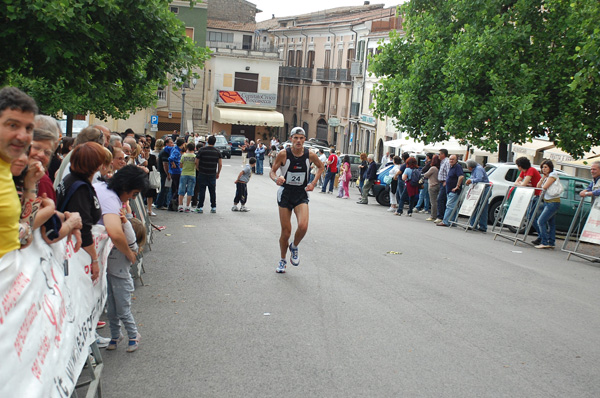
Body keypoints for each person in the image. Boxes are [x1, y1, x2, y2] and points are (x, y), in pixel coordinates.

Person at [270, 127, 324, 273]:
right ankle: (282, 260)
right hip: (286, 193)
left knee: (303, 226)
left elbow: (321, 167)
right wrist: (277, 179)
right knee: (286, 232)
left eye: (301, 138)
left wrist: (313, 183)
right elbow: (272, 171)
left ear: (304, 140)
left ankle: (294, 246)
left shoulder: (310, 155)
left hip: (301, 193)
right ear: (291, 139)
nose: (298, 141)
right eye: (295, 138)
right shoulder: (283, 154)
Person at [56, 142, 106, 282]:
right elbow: (83, 228)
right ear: (96, 165)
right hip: (76, 255)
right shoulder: (80, 189)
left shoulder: (71, 179)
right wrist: (94, 260)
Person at [0, 87, 38, 259]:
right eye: (13, 125)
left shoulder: (6, 167)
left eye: (29, 128)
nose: (22, 136)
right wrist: (25, 230)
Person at [105, 214, 145, 352]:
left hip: (122, 282)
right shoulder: (112, 241)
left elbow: (130, 236)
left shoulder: (130, 248)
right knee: (111, 311)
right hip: (110, 278)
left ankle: (133, 335)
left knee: (123, 311)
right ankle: (116, 335)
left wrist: (125, 222)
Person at [535, 160, 562, 249]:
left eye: (546, 167)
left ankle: (544, 242)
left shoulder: (553, 175)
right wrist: (543, 178)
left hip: (553, 202)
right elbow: (538, 186)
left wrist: (545, 180)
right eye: (542, 167)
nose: (544, 169)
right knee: (551, 223)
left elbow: (545, 187)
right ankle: (551, 242)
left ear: (550, 167)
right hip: (548, 201)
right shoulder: (546, 176)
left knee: (541, 221)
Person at [515, 156, 542, 241]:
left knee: (531, 216)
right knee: (530, 216)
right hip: (532, 195)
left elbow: (522, 184)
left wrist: (523, 183)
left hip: (537, 195)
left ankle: (542, 235)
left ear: (520, 165)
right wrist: (523, 183)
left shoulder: (531, 170)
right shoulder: (524, 172)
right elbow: (516, 182)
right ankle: (541, 235)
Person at [195, 135, 222, 214]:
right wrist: (218, 172)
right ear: (214, 142)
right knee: (212, 191)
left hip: (202, 172)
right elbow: (220, 164)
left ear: (207, 141)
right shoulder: (217, 151)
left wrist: (198, 168)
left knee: (202, 190)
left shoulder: (202, 150)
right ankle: (213, 207)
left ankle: (200, 207)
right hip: (212, 173)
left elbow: (196, 161)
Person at [438, 155, 464, 227]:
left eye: (453, 159)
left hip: (454, 190)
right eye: (450, 159)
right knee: (453, 206)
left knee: (449, 206)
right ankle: (453, 221)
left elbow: (461, 176)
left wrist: (457, 186)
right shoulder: (452, 167)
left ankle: (445, 221)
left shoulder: (457, 167)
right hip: (449, 190)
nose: (451, 161)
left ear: (456, 160)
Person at [465, 159, 490, 232]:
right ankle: (473, 224)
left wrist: (471, 181)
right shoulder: (476, 168)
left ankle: (482, 226)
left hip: (484, 189)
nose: (467, 168)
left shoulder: (478, 169)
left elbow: (479, 178)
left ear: (470, 167)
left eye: (467, 167)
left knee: (483, 208)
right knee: (475, 206)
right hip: (478, 189)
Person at [178, 142, 197, 212]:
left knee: (181, 190)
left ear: (187, 148)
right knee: (190, 191)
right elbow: (196, 165)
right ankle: (187, 206)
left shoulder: (184, 156)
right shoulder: (195, 156)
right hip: (192, 174)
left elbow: (180, 165)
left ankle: (180, 206)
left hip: (184, 173)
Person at [167, 138, 185, 210]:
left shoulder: (175, 149)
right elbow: (170, 158)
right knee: (178, 188)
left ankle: (173, 203)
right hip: (176, 171)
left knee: (175, 188)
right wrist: (173, 164)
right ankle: (173, 202)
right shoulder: (176, 151)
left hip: (175, 171)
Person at [434, 149, 450, 223]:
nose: (438, 155)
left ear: (443, 154)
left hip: (444, 183)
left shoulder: (446, 162)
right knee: (442, 199)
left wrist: (446, 181)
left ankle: (440, 216)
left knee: (440, 199)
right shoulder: (442, 162)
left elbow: (449, 172)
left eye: (439, 154)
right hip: (441, 182)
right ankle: (442, 216)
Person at [424, 155, 441, 221]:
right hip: (438, 184)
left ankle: (433, 215)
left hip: (432, 185)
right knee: (437, 201)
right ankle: (437, 214)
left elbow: (426, 174)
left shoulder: (433, 168)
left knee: (433, 202)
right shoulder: (439, 168)